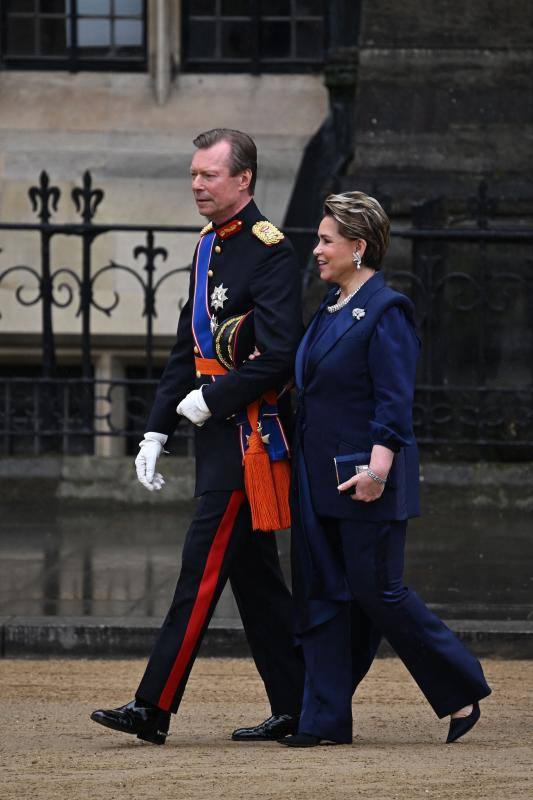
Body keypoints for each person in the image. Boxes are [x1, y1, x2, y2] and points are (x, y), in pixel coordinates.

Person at [91, 128, 304, 745]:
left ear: (244, 180)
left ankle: (152, 705)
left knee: (199, 573)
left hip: (248, 443)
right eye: (193, 174)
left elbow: (279, 356)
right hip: (214, 438)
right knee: (257, 584)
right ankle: (301, 705)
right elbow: (188, 348)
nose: (196, 185)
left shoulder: (271, 251)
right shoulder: (207, 245)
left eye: (209, 175)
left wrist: (212, 398)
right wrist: (155, 429)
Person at [280, 191, 491, 747]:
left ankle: (461, 687)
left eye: (327, 240)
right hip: (315, 478)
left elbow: (393, 400)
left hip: (364, 479)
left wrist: (377, 470)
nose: (318, 249)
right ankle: (322, 721)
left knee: (378, 592)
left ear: (358, 246)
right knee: (324, 594)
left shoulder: (386, 309)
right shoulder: (328, 309)